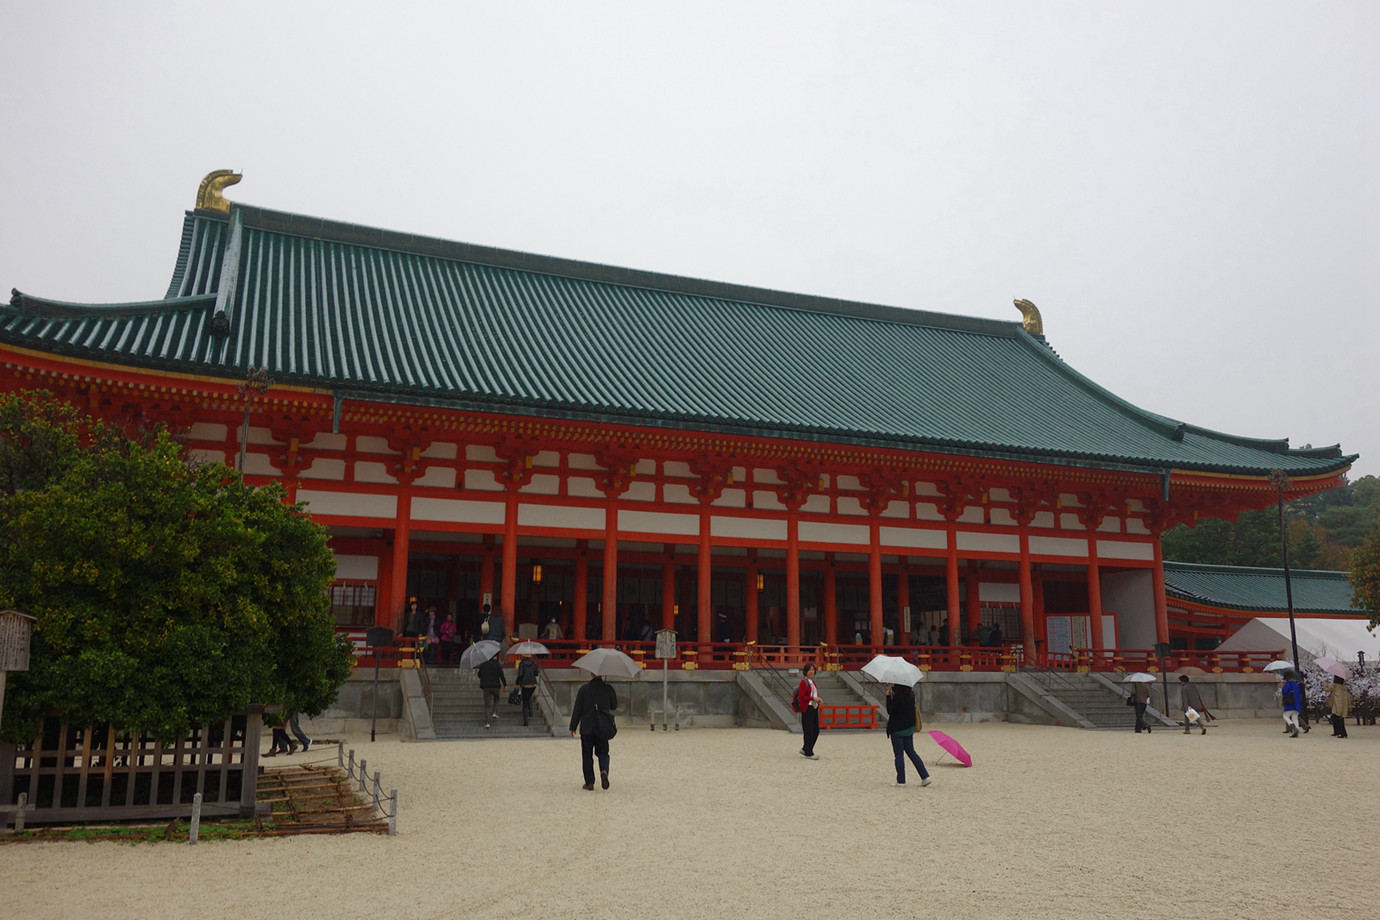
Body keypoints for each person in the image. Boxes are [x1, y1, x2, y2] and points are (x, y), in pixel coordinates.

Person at [569, 673, 618, 790]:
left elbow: (578, 709)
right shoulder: (608, 689)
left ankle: (589, 782)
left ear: (591, 674)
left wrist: (573, 726)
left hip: (587, 727)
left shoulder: (584, 690)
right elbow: (614, 706)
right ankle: (604, 771)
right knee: (603, 752)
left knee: (587, 755)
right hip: (602, 726)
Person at [884, 683, 932, 787]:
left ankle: (901, 780)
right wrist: (893, 691)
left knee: (899, 755)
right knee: (911, 752)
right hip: (909, 728)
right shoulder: (911, 694)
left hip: (898, 728)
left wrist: (888, 697)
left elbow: (890, 711)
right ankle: (925, 776)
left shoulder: (898, 697)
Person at [795, 663, 821, 760]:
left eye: (813, 670)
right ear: (806, 671)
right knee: (808, 730)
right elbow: (801, 697)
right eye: (810, 670)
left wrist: (818, 699)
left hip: (814, 707)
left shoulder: (813, 682)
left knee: (816, 730)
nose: (812, 671)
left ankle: (806, 748)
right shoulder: (803, 682)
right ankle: (809, 752)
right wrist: (813, 698)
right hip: (807, 708)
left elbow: (814, 695)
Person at [477, 651, 506, 729]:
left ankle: (487, 722)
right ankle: (495, 712)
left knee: (487, 704)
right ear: (495, 657)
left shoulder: (483, 664)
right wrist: (505, 684)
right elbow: (501, 675)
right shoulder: (497, 665)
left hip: (486, 687)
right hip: (496, 686)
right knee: (497, 699)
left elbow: (479, 675)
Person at [516, 654, 539, 726]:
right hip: (533, 684)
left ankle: (526, 720)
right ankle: (531, 711)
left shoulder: (522, 664)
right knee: (529, 696)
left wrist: (517, 682)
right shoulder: (533, 664)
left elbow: (520, 674)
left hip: (525, 684)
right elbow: (536, 673)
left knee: (525, 701)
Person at [1280, 671, 1304, 738]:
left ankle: (1293, 727)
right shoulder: (1296, 684)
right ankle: (1296, 731)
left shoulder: (1288, 683)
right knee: (1295, 717)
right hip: (1297, 703)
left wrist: (1282, 687)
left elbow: (1284, 691)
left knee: (1285, 716)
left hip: (1290, 702)